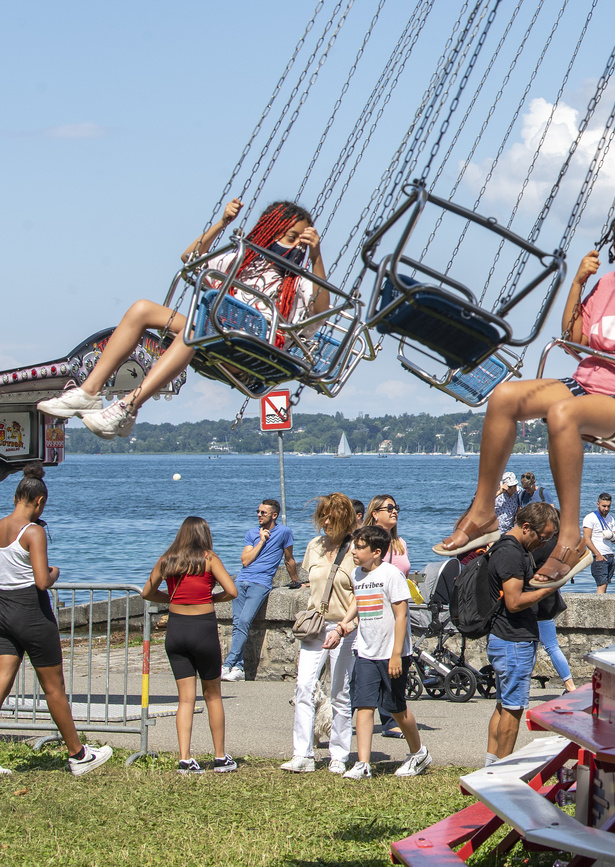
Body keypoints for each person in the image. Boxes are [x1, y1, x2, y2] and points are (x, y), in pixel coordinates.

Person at [434, 209, 615, 589]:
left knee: (563, 414)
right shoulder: (607, 284)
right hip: (588, 384)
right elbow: (575, 343)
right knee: (505, 395)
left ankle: (571, 538)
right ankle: (483, 513)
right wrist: (577, 281)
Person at [38, 199, 330, 438]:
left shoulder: (299, 281)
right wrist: (223, 223)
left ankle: (127, 406)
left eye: (301, 244)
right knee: (142, 309)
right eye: (291, 238)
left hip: (249, 352)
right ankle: (89, 390)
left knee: (197, 329)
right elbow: (190, 257)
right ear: (271, 232)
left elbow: (320, 309)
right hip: (216, 331)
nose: (295, 248)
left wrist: (315, 256)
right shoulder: (241, 261)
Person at [0, 465, 114, 776]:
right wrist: (56, 573)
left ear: (15, 497)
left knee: (2, 681)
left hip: (3, 611)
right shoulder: (33, 531)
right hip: (32, 612)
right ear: (38, 501)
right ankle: (78, 755)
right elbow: (41, 580)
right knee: (54, 688)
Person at [324, 526, 431, 780]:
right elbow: (358, 603)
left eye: (360, 547)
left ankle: (418, 753)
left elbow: (401, 614)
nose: (354, 551)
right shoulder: (356, 575)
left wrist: (396, 654)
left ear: (377, 552)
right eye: (354, 546)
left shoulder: (391, 575)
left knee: (396, 708)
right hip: (366, 651)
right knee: (364, 705)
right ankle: (362, 763)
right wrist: (342, 628)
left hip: (392, 653)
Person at [142, 517, 239, 774]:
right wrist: (212, 596)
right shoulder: (209, 559)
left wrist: (171, 597)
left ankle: (185, 758)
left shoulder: (168, 559)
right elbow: (232, 591)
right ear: (204, 534)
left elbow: (146, 593)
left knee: (185, 699)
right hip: (202, 628)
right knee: (213, 695)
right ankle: (220, 757)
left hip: (176, 629)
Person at [282, 494, 357, 774]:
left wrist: (344, 626)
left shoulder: (355, 549)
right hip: (315, 625)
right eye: (323, 517)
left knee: (340, 691)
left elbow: (360, 593)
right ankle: (303, 753)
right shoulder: (313, 546)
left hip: (343, 626)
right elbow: (309, 584)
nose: (326, 523)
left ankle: (339, 753)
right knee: (304, 686)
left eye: (332, 518)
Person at [484, 502, 562, 765]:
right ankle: (501, 771)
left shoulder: (508, 548)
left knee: (503, 704)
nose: (543, 544)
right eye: (543, 538)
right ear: (526, 527)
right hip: (513, 640)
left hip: (505, 639)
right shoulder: (511, 554)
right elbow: (514, 601)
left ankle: (490, 765)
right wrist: (549, 588)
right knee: (513, 709)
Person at [222, 498, 297, 681]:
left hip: (260, 583)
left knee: (244, 621)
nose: (259, 515)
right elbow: (245, 561)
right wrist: (261, 541)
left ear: (274, 515)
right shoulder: (252, 533)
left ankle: (227, 664)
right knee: (238, 623)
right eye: (258, 512)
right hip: (241, 581)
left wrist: (296, 581)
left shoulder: (284, 532)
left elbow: (288, 559)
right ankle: (238, 669)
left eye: (263, 512)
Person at [363, 494, 409, 737]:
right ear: (375, 513)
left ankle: (391, 718)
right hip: (374, 613)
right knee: (367, 671)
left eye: (396, 507)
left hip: (397, 614)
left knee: (393, 668)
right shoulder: (364, 544)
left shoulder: (400, 543)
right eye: (388, 508)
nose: (394, 511)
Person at [530, 533, 577, 693]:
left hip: (540, 603)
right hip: (548, 601)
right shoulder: (557, 546)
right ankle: (521, 682)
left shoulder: (542, 547)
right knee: (534, 645)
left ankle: (569, 685)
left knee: (549, 646)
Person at [582, 493, 615, 594]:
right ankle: (598, 607)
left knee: (605, 584)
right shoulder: (590, 518)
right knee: (601, 585)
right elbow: (586, 539)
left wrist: (611, 536)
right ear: (598, 504)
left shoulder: (610, 518)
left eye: (608, 506)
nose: (606, 509)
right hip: (599, 556)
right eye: (604, 506)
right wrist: (597, 555)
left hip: (610, 555)